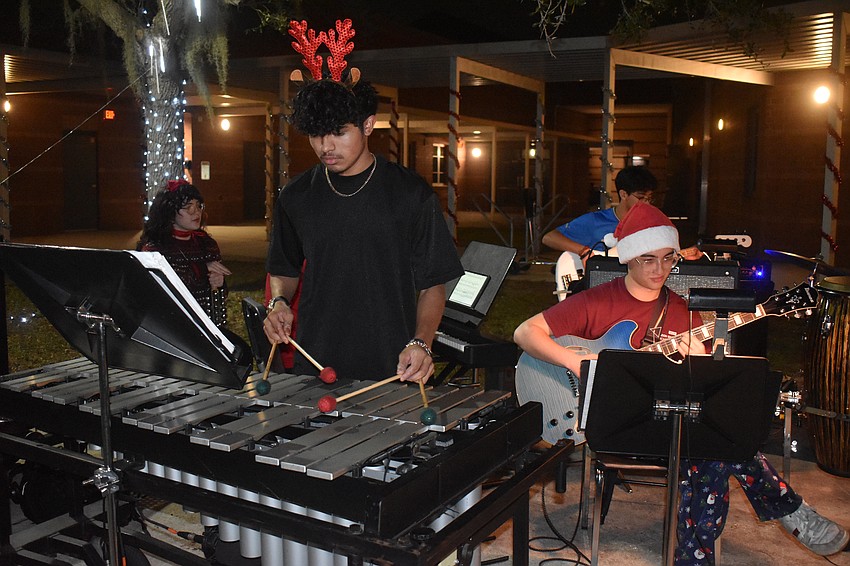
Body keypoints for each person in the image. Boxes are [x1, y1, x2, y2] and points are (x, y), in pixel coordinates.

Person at [514, 202, 849, 565]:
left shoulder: (681, 309)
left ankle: (701, 554)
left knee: (719, 448)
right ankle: (790, 515)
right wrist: (572, 360)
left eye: (668, 258)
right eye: (648, 259)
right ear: (627, 257)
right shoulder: (597, 301)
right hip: (608, 425)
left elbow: (699, 388)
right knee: (719, 450)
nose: (660, 269)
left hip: (664, 424)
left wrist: (697, 359)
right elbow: (525, 332)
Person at [263, 74, 464, 383]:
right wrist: (278, 303)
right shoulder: (296, 196)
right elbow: (284, 269)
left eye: (339, 133)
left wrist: (422, 342)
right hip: (315, 364)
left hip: (392, 366)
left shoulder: (410, 194)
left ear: (368, 125)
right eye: (316, 134)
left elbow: (433, 284)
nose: (325, 146)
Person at [139, 179, 231, 326]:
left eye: (198, 206)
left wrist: (219, 283)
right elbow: (161, 292)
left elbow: (220, 295)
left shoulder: (206, 243)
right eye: (188, 207)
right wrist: (202, 268)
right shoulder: (155, 248)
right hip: (171, 325)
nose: (196, 212)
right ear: (170, 212)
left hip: (207, 324)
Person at [542, 165, 658, 264]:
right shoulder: (596, 220)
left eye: (650, 198)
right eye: (641, 197)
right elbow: (549, 238)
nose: (646, 203)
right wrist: (583, 251)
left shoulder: (653, 225)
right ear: (623, 195)